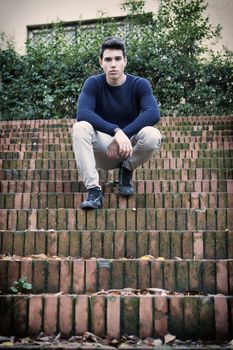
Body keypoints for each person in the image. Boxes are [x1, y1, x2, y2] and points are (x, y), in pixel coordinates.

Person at [73, 36, 162, 209]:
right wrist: (116, 131)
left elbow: (153, 113)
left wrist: (124, 134)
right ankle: (94, 191)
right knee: (80, 127)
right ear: (101, 63)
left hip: (128, 149)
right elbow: (83, 113)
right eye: (108, 59)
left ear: (125, 61)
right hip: (104, 149)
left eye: (117, 59)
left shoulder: (139, 84)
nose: (113, 64)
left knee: (153, 135)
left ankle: (126, 170)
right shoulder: (93, 83)